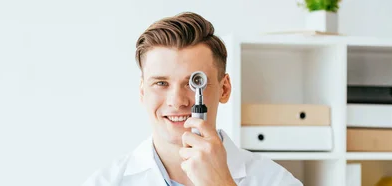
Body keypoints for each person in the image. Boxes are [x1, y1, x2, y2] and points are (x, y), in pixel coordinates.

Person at [82, 12, 303, 186]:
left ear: (224, 89)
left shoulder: (274, 180)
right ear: (142, 92)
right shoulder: (106, 182)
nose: (177, 101)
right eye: (161, 83)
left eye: (193, 82)